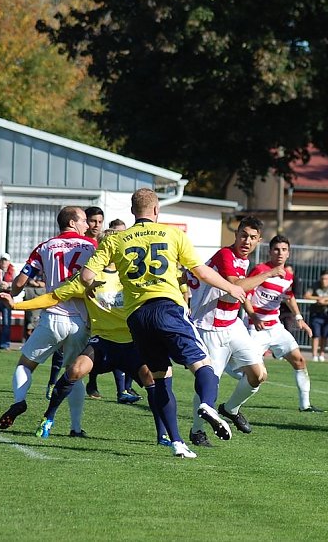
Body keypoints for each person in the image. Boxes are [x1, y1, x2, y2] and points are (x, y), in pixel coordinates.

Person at [78, 188, 246, 458]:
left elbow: (86, 275)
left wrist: (94, 285)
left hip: (138, 317)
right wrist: (232, 288)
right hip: (167, 307)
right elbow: (200, 271)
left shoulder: (115, 240)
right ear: (156, 210)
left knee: (160, 377)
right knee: (203, 364)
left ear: (133, 212)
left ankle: (177, 441)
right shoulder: (173, 234)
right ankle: (207, 405)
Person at [0, 229, 182, 452]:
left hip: (131, 343)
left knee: (152, 379)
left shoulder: (132, 276)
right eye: (105, 246)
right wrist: (15, 305)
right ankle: (48, 418)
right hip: (102, 342)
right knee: (74, 370)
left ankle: (162, 434)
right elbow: (53, 296)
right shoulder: (87, 277)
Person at [185, 216, 286, 446]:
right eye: (243, 235)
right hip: (210, 326)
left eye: (252, 237)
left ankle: (230, 408)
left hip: (233, 324)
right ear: (236, 234)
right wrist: (268, 274)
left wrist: (251, 314)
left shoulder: (244, 261)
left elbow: (239, 294)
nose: (246, 241)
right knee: (210, 381)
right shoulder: (225, 255)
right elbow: (236, 286)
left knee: (259, 375)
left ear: (258, 240)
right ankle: (197, 431)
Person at [0, 206, 95, 435]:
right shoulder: (92, 246)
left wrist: (13, 295)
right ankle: (76, 427)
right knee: (75, 374)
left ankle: (20, 400)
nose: (87, 225)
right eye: (83, 220)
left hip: (53, 316)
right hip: (80, 319)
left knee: (25, 364)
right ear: (71, 222)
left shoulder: (45, 247)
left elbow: (21, 280)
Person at [244, 235, 322, 413]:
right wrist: (253, 316)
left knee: (300, 360)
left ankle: (305, 405)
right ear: (270, 252)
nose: (280, 253)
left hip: (275, 327)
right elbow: (245, 295)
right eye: (276, 249)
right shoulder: (260, 270)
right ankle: (233, 407)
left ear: (288, 253)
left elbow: (289, 297)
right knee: (253, 373)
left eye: (284, 250)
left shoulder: (288, 275)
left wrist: (299, 318)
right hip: (256, 328)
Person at [83, 206, 106, 398]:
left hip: (98, 299)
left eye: (99, 221)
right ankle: (53, 381)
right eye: (93, 221)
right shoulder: (82, 244)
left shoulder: (103, 243)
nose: (96, 225)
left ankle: (92, 382)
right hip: (77, 295)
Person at [304, 270, 328, 362]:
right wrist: (319, 299)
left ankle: (322, 354)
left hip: (327, 314)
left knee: (325, 335)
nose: (324, 281)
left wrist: (325, 300)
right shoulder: (315, 284)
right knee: (316, 334)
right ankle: (314, 355)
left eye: (326, 279)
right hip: (316, 313)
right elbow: (306, 296)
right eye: (322, 279)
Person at [0, 252, 16, 350]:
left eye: (6, 260)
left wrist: (8, 285)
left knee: (6, 323)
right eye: (2, 260)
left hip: (6, 300)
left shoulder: (13, 271)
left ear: (9, 262)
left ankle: (5, 345)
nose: (4, 262)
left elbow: (16, 284)